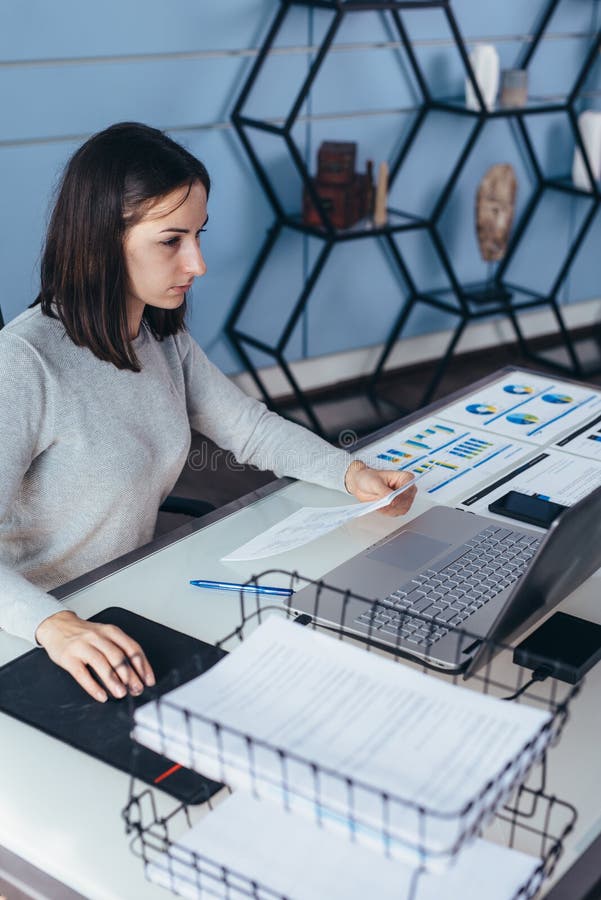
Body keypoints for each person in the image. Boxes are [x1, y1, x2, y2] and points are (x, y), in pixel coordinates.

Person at [0, 122, 416, 703]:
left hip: (126, 599)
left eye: (197, 235)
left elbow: (249, 428)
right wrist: (56, 626)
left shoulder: (157, 336)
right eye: (171, 240)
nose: (196, 263)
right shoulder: (23, 362)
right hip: (38, 630)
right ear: (101, 239)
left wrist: (351, 474)